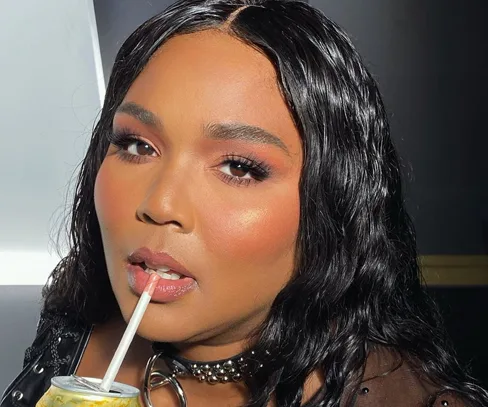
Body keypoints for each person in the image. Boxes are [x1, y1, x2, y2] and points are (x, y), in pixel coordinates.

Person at [1, 0, 487, 406]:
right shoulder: (79, 320)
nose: (161, 203)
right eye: (136, 145)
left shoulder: (398, 398)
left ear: (332, 204)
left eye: (239, 167)